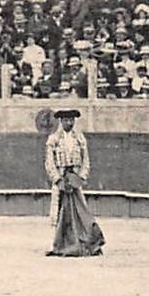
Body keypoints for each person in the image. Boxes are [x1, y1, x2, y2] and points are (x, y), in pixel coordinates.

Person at [44, 108, 105, 257]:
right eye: (66, 120)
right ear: (61, 121)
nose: (69, 123)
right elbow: (49, 162)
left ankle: (86, 242)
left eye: (72, 120)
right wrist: (58, 180)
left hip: (75, 180)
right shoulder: (53, 139)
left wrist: (80, 179)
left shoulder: (80, 139)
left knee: (81, 212)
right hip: (61, 180)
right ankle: (59, 244)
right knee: (59, 213)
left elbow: (86, 161)